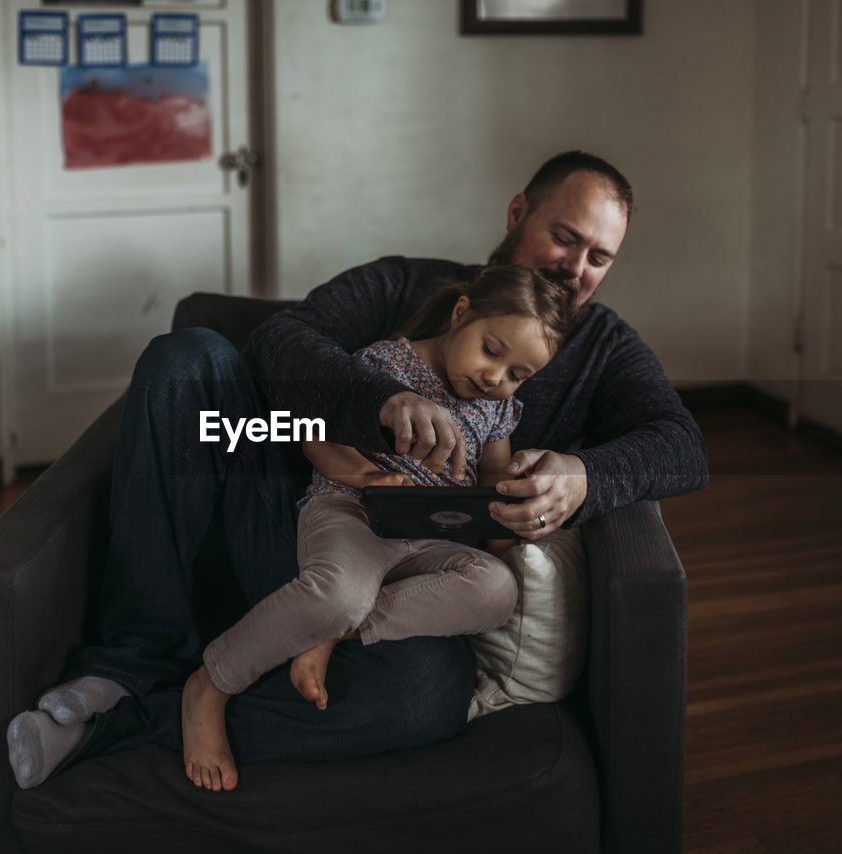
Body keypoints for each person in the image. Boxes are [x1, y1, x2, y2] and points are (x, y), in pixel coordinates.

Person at [5, 150, 708, 792]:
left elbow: (682, 445)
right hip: (296, 511)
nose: (575, 267)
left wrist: (583, 477)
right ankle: (130, 659)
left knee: (417, 699)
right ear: (517, 212)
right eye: (565, 237)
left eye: (599, 257)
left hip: (391, 581)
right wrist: (379, 404)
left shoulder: (605, 350)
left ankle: (134, 721)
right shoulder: (409, 284)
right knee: (185, 357)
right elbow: (279, 343)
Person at [182, 265, 578, 791]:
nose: (495, 378)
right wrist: (369, 476)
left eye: (517, 374)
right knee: (335, 593)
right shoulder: (384, 364)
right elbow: (311, 431)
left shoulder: (497, 407)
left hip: (433, 535)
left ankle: (329, 632)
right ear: (461, 313)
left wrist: (516, 505)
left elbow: (491, 483)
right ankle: (210, 684)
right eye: (490, 350)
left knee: (497, 590)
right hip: (354, 512)